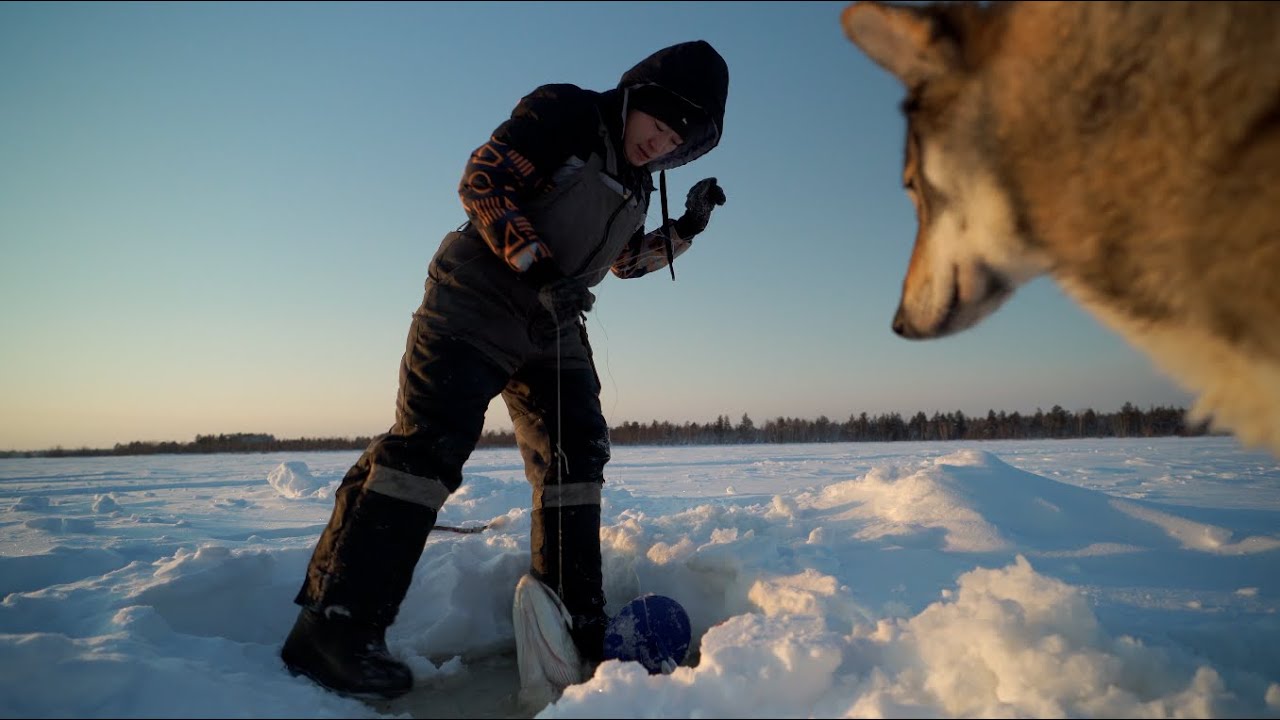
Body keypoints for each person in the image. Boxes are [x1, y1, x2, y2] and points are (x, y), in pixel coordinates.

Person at [279, 39, 729, 699]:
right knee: (427, 451)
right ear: (635, 100)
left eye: (673, 142)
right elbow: (483, 181)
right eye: (656, 126)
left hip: (553, 319)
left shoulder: (637, 183)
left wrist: (687, 226)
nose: (658, 144)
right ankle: (334, 629)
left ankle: (572, 615)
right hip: (479, 293)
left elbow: (623, 262)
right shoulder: (567, 115)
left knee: (579, 453)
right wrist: (539, 268)